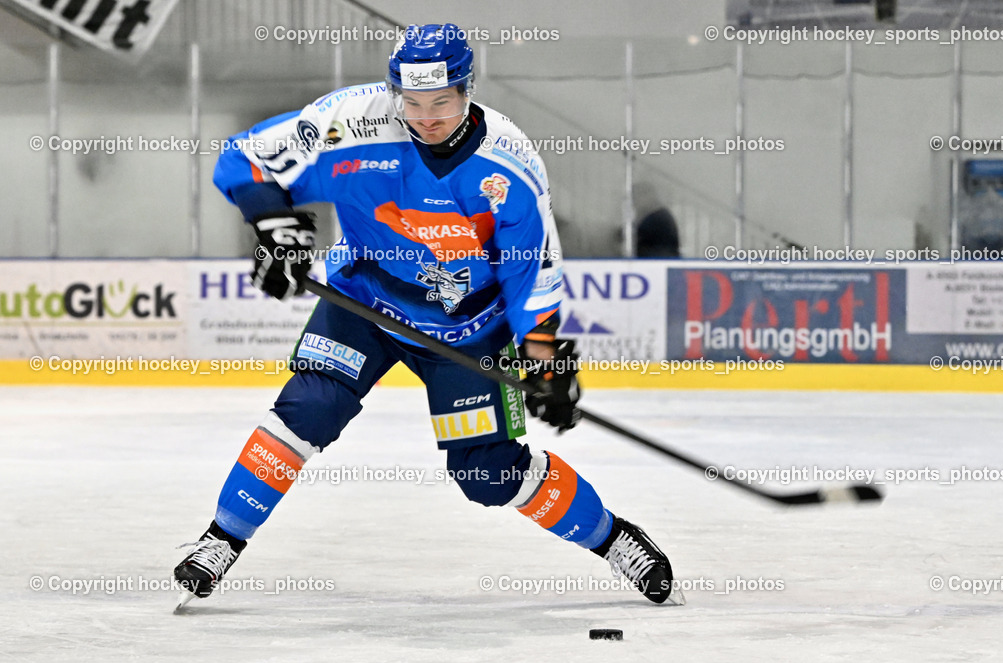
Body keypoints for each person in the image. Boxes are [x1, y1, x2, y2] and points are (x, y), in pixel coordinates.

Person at [173, 23, 679, 607]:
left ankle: (615, 540)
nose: (425, 117)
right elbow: (247, 159)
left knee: (487, 473)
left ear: (467, 89)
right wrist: (273, 222)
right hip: (363, 301)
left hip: (469, 328)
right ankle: (220, 539)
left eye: (440, 102)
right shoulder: (353, 122)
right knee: (311, 404)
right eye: (411, 102)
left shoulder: (507, 168)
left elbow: (531, 274)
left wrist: (543, 361)